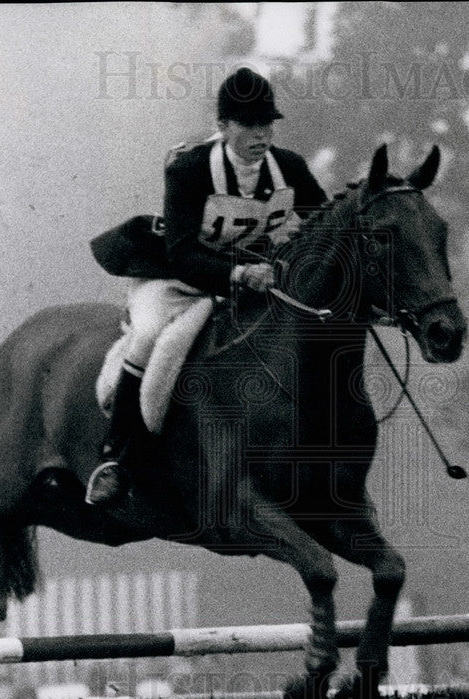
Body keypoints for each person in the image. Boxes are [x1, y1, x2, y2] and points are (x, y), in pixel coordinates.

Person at [86, 67, 327, 505]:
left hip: (239, 287)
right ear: (223, 126)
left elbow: (325, 225)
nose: (261, 134)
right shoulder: (191, 169)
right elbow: (182, 253)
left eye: (267, 123)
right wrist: (239, 272)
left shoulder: (289, 167)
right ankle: (116, 456)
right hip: (174, 280)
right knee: (149, 335)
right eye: (249, 125)